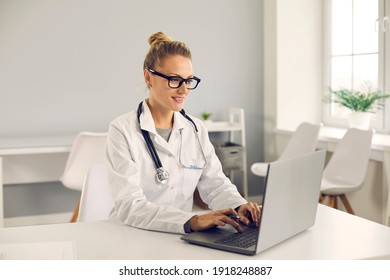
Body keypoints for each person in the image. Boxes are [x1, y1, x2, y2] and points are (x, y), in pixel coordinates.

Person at [106, 31, 260, 234]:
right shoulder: (122, 130)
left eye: (188, 80)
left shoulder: (195, 129)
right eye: (174, 80)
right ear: (148, 77)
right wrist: (192, 220)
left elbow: (215, 184)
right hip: (132, 234)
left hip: (180, 236)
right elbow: (130, 206)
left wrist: (240, 206)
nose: (184, 90)